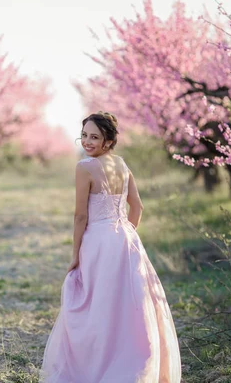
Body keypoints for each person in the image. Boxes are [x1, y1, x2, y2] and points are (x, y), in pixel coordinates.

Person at [40, 112, 182, 383]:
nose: (87, 141)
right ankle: (133, 362)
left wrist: (74, 255)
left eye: (94, 137)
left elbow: (80, 216)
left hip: (98, 242)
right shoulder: (123, 165)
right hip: (127, 240)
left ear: (108, 140)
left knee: (97, 304)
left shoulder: (84, 167)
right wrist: (126, 235)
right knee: (129, 305)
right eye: (84, 135)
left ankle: (97, 365)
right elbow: (137, 207)